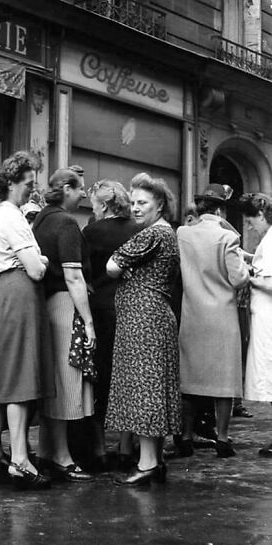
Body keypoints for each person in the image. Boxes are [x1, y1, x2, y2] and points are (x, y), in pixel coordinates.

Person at [105, 173, 181, 486]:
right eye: (133, 202)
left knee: (145, 389)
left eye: (142, 203)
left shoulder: (152, 235)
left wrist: (125, 270)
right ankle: (154, 460)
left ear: (159, 204)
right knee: (152, 387)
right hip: (152, 317)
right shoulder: (166, 233)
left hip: (144, 319)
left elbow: (111, 266)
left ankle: (148, 463)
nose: (135, 208)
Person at [0, 151, 51, 490]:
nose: (31, 188)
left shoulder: (7, 215)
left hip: (15, 294)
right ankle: (19, 459)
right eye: (28, 183)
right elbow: (37, 269)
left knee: (19, 376)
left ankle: (18, 456)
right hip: (19, 293)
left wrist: (35, 258)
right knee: (19, 377)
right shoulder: (11, 216)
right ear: (11, 182)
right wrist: (40, 258)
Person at [32, 168, 95, 483]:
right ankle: (62, 456)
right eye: (80, 188)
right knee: (67, 382)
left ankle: (48, 451)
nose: (83, 194)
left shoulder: (40, 220)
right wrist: (89, 320)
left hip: (46, 306)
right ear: (67, 189)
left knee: (54, 381)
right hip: (65, 306)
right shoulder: (67, 223)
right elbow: (74, 276)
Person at [178, 184, 249, 459]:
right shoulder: (227, 238)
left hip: (192, 313)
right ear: (220, 209)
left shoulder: (182, 233)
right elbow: (238, 278)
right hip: (222, 315)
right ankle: (221, 438)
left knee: (190, 380)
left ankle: (185, 437)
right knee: (224, 382)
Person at [82, 180, 139, 470]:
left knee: (99, 377)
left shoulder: (91, 232)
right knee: (127, 378)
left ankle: (99, 448)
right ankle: (127, 447)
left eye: (93, 203)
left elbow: (82, 273)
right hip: (131, 309)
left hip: (101, 310)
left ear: (103, 205)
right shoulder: (139, 230)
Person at [238, 193, 272, 456]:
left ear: (260, 215)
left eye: (251, 221)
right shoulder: (268, 239)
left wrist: (248, 277)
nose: (250, 226)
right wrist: (248, 257)